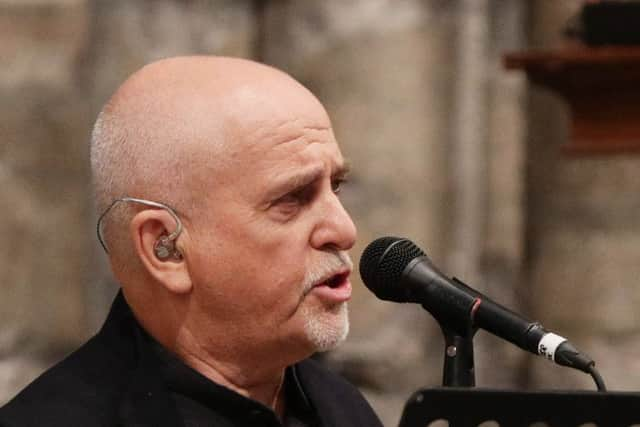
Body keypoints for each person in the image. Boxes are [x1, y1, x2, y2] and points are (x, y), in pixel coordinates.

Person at [0, 56, 383, 427]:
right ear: (166, 249)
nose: (344, 230)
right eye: (292, 199)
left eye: (335, 186)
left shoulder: (340, 407)